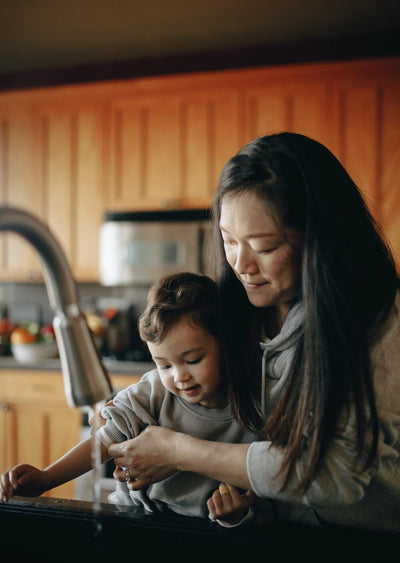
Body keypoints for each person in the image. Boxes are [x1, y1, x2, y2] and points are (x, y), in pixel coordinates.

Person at [108, 132, 400, 532]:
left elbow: (335, 473)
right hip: (264, 539)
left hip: (365, 552)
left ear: (319, 242)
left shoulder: (380, 320)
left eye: (263, 247)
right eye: (229, 240)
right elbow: (175, 380)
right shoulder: (238, 307)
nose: (241, 264)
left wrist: (179, 452)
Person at [0, 272, 259, 527]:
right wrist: (47, 478)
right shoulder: (154, 391)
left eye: (193, 360)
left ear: (226, 344)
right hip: (135, 520)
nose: (179, 377)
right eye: (164, 365)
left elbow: (261, 496)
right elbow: (103, 440)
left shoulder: (254, 408)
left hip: (204, 536)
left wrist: (236, 517)